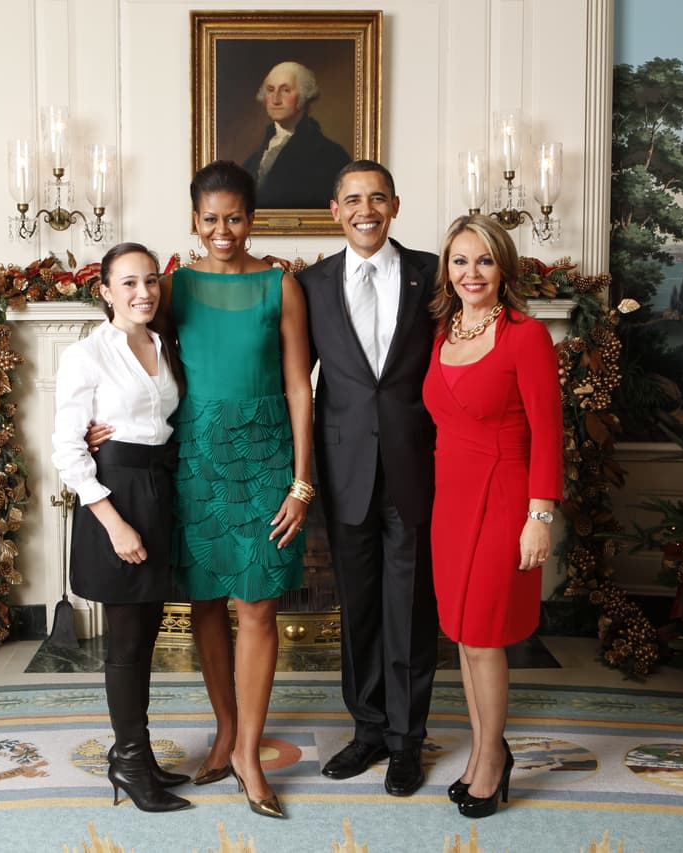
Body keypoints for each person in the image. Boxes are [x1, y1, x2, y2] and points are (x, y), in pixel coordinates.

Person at [168, 160, 313, 818]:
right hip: (196, 456)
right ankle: (224, 726)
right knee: (205, 604)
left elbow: (297, 385)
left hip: (265, 457)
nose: (222, 229)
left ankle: (249, 753)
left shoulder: (280, 285)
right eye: (210, 218)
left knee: (258, 606)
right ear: (194, 221)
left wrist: (302, 480)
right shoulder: (176, 287)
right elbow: (141, 357)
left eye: (234, 217)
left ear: (251, 219)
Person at [296, 160, 440, 797]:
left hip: (416, 461)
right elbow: (298, 380)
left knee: (409, 609)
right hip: (344, 464)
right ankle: (369, 730)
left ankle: (408, 741)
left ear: (396, 205)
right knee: (356, 609)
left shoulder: (434, 274)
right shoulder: (310, 284)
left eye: (377, 197)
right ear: (335, 210)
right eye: (353, 199)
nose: (366, 209)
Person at [421, 214, 563, 818]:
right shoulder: (441, 332)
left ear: (503, 266)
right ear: (447, 270)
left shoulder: (526, 336)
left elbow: (549, 435)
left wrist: (541, 515)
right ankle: (487, 753)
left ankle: (491, 764)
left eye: (483, 260)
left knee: (484, 637)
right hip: (449, 502)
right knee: (461, 637)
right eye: (459, 261)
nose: (471, 273)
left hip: (505, 499)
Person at [50, 243, 191, 813]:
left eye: (151, 281)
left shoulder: (165, 345)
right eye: (128, 283)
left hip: (158, 491)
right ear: (105, 292)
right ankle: (129, 761)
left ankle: (138, 753)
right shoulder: (86, 355)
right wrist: (113, 522)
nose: (143, 292)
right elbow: (66, 447)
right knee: (128, 642)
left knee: (146, 635)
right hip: (117, 498)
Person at [242, 61, 350, 209]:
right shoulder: (252, 161)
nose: (275, 100)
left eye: (285, 90)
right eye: (270, 90)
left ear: (304, 96)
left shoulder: (331, 156)